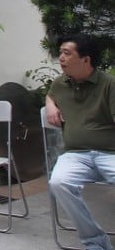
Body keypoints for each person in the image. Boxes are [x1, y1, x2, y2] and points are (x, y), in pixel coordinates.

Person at [45, 34, 115, 250]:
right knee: (59, 182)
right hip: (75, 154)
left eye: (67, 53)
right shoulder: (60, 83)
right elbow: (50, 94)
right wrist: (49, 104)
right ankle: (96, 242)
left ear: (86, 59)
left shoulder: (109, 84)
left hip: (110, 153)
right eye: (61, 53)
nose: (61, 58)